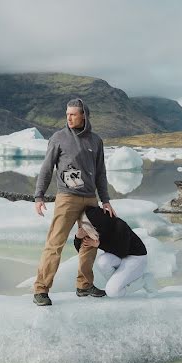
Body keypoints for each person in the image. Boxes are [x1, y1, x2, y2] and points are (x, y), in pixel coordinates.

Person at [32, 98, 115, 307]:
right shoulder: (58, 138)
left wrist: (105, 200)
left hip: (90, 199)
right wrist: (39, 195)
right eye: (67, 114)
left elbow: (101, 173)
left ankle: (84, 285)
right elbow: (46, 168)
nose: (68, 118)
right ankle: (41, 289)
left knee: (89, 242)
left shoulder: (96, 141)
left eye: (73, 114)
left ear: (83, 115)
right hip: (67, 199)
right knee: (55, 244)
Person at [75, 206, 148, 297]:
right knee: (102, 262)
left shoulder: (119, 225)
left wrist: (98, 245)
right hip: (118, 256)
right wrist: (78, 237)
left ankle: (142, 281)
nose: (86, 226)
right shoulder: (94, 229)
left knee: (112, 292)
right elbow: (80, 250)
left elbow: (122, 252)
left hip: (136, 257)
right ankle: (123, 283)